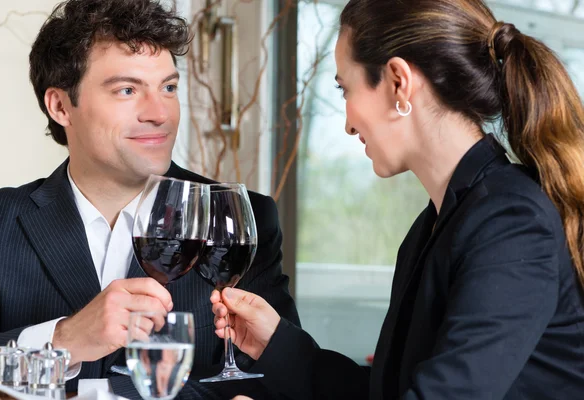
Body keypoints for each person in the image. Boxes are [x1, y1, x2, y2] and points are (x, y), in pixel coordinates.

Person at [211, 0, 584, 399]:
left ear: (398, 82)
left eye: (345, 89)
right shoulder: (440, 223)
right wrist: (277, 344)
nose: (349, 122)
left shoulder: (511, 221)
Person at [0, 0, 299, 398]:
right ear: (60, 105)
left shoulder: (239, 219)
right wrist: (65, 339)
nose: (159, 113)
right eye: (127, 89)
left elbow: (286, 379)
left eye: (168, 88)